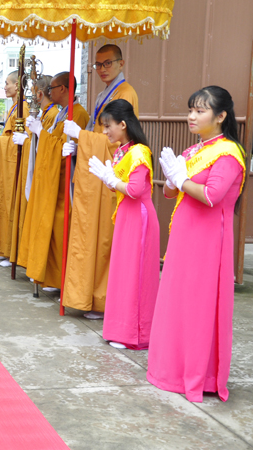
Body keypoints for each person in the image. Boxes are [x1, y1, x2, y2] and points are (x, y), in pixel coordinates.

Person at [149, 86, 246, 403]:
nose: (191, 116)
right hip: (184, 237)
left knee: (197, 306)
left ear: (220, 116)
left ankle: (196, 375)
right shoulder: (194, 150)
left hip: (207, 242)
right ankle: (170, 370)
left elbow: (211, 196)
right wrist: (171, 178)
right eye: (191, 109)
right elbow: (171, 193)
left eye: (200, 110)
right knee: (176, 302)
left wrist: (182, 179)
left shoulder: (228, 153)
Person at [61, 44, 139, 319]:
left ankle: (101, 298)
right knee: (89, 232)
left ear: (121, 63)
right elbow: (101, 131)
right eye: (98, 64)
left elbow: (117, 139)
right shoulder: (104, 93)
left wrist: (82, 136)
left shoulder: (125, 93)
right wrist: (79, 143)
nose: (102, 69)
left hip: (111, 170)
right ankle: (87, 294)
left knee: (103, 236)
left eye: (108, 63)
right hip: (95, 166)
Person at [87, 100, 159, 349]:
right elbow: (120, 187)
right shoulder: (122, 150)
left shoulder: (139, 152)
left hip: (138, 217)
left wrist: (111, 180)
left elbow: (135, 190)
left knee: (135, 275)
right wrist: (109, 180)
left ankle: (134, 334)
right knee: (122, 273)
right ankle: (119, 330)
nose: (105, 131)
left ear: (123, 124)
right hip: (126, 215)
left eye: (108, 126)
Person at [19, 73, 88, 292]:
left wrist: (41, 133)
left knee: (61, 228)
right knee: (53, 230)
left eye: (53, 88)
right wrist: (38, 134)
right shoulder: (63, 113)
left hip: (66, 181)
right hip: (53, 179)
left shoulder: (78, 114)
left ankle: (62, 280)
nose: (49, 92)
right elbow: (55, 142)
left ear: (64, 89)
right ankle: (53, 278)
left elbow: (66, 148)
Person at [0, 71, 28, 268]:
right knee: (2, 204)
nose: (5, 87)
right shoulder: (14, 107)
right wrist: (1, 140)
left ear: (17, 85)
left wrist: (2, 142)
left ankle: (13, 252)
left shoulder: (24, 108)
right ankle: (3, 249)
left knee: (11, 205)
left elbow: (22, 140)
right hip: (6, 165)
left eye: (7, 83)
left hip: (14, 165)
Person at [16, 75, 59, 274]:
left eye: (32, 93)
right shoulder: (45, 113)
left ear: (39, 94)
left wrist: (27, 141)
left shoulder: (53, 114)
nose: (30, 98)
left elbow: (49, 146)